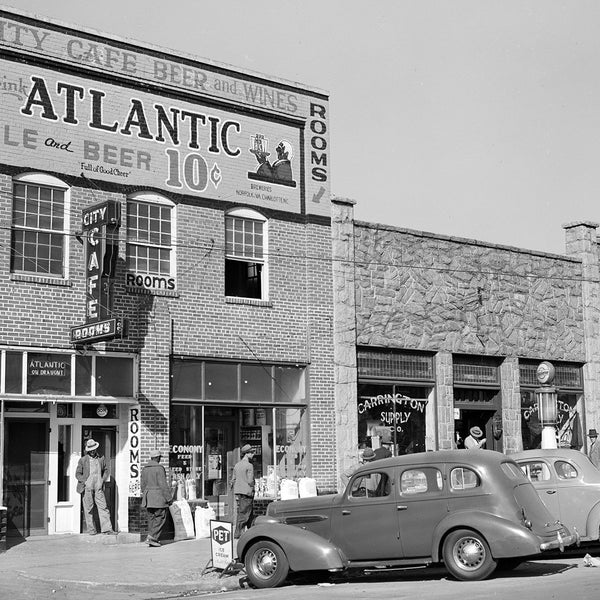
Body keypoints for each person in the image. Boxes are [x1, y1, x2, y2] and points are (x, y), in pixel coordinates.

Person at [75, 438, 116, 535]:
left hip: (99, 487)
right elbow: (77, 474)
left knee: (103, 507)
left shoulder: (101, 458)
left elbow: (106, 470)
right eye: (91, 450)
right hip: (87, 488)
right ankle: (91, 530)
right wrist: (85, 481)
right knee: (88, 508)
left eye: (94, 449)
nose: (93, 451)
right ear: (88, 450)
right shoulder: (83, 460)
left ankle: (107, 529)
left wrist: (102, 479)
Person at [141, 449, 173, 547]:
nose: (160, 459)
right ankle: (152, 537)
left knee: (151, 518)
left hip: (148, 497)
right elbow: (163, 485)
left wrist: (147, 494)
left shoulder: (145, 469)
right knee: (160, 517)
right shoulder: (159, 468)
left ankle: (153, 539)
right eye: (159, 457)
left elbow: (142, 485)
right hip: (158, 498)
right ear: (157, 457)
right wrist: (169, 498)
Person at [231, 444, 256, 538]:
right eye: (252, 452)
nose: (253, 454)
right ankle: (238, 533)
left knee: (245, 512)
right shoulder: (249, 466)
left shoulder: (237, 465)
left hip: (239, 492)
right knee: (244, 513)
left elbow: (233, 479)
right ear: (247, 454)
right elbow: (250, 481)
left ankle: (250, 533)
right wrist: (254, 485)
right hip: (247, 492)